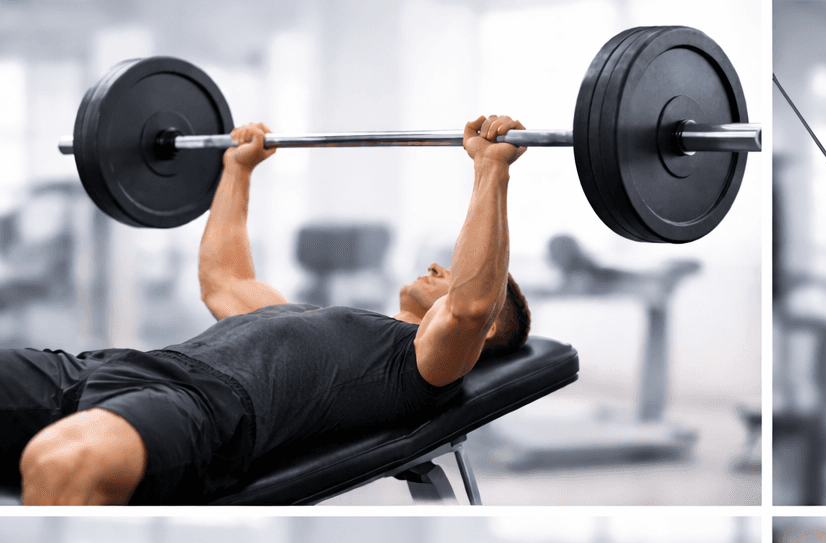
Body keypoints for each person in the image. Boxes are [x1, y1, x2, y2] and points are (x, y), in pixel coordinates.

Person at [2, 115, 534, 505]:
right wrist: (237, 169)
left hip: (203, 408)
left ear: (488, 331)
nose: (442, 266)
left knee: (63, 461)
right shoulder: (307, 317)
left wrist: (491, 171)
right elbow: (225, 280)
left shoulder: (418, 368)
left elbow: (468, 306)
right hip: (117, 366)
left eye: (461, 276)